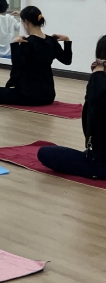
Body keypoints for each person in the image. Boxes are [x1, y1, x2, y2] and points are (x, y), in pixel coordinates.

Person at [37, 36, 106, 179]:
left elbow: (97, 99)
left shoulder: (99, 86)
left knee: (44, 153)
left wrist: (98, 73)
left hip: (101, 161)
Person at [0, 6, 72, 106]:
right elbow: (67, 60)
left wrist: (15, 44)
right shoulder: (52, 41)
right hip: (48, 96)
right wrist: (67, 41)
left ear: (26, 22)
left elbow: (17, 68)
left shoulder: (27, 42)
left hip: (28, 95)